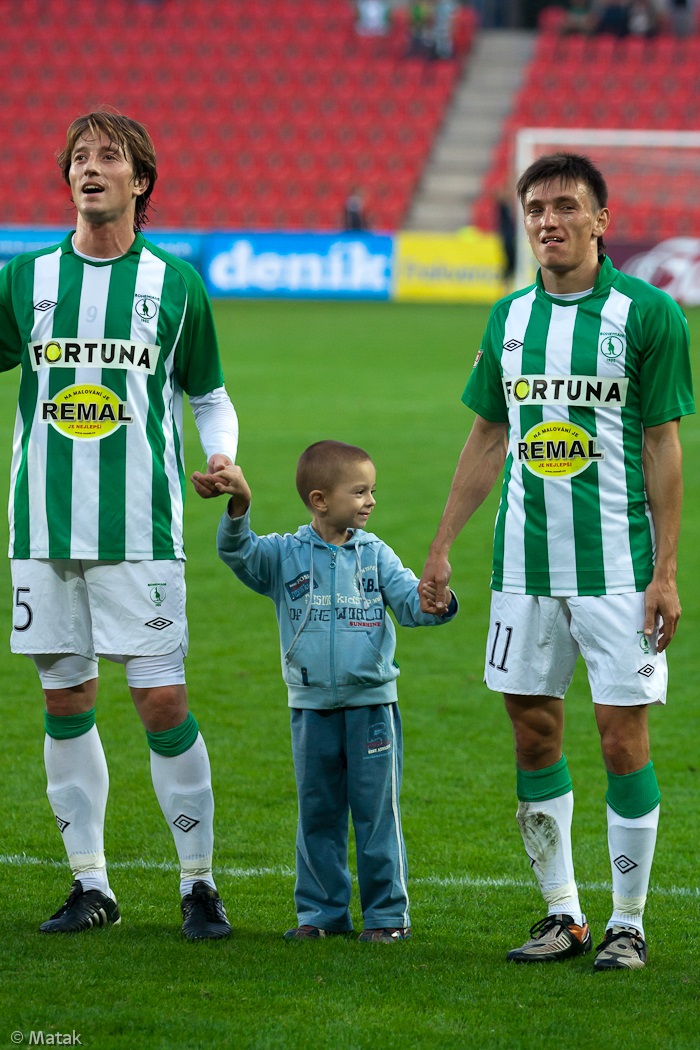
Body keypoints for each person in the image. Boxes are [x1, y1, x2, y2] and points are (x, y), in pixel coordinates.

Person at [419, 152, 694, 970]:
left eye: (566, 206)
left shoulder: (649, 315)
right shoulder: (507, 318)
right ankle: (564, 915)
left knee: (621, 741)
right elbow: (488, 434)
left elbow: (662, 444)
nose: (548, 220)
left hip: (619, 571)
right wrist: (440, 545)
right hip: (523, 571)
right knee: (533, 737)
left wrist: (668, 570)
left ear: (600, 221)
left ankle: (629, 922)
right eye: (536, 207)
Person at [0, 111, 239, 939]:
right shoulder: (24, 278)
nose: (90, 168)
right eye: (78, 157)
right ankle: (90, 883)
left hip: (141, 530)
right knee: (65, 699)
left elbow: (208, 390)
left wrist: (225, 455)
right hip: (41, 528)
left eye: (108, 158)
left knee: (162, 700)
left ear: (142, 181)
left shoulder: (173, 285)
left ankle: (199, 883)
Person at [209, 441, 457, 941]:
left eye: (372, 491)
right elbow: (236, 551)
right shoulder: (284, 554)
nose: (370, 502)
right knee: (317, 814)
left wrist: (437, 600)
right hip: (311, 708)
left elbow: (411, 604)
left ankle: (388, 918)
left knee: (375, 815)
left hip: (372, 709)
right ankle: (322, 915)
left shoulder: (376, 554)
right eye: (359, 492)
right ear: (320, 500)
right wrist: (239, 506)